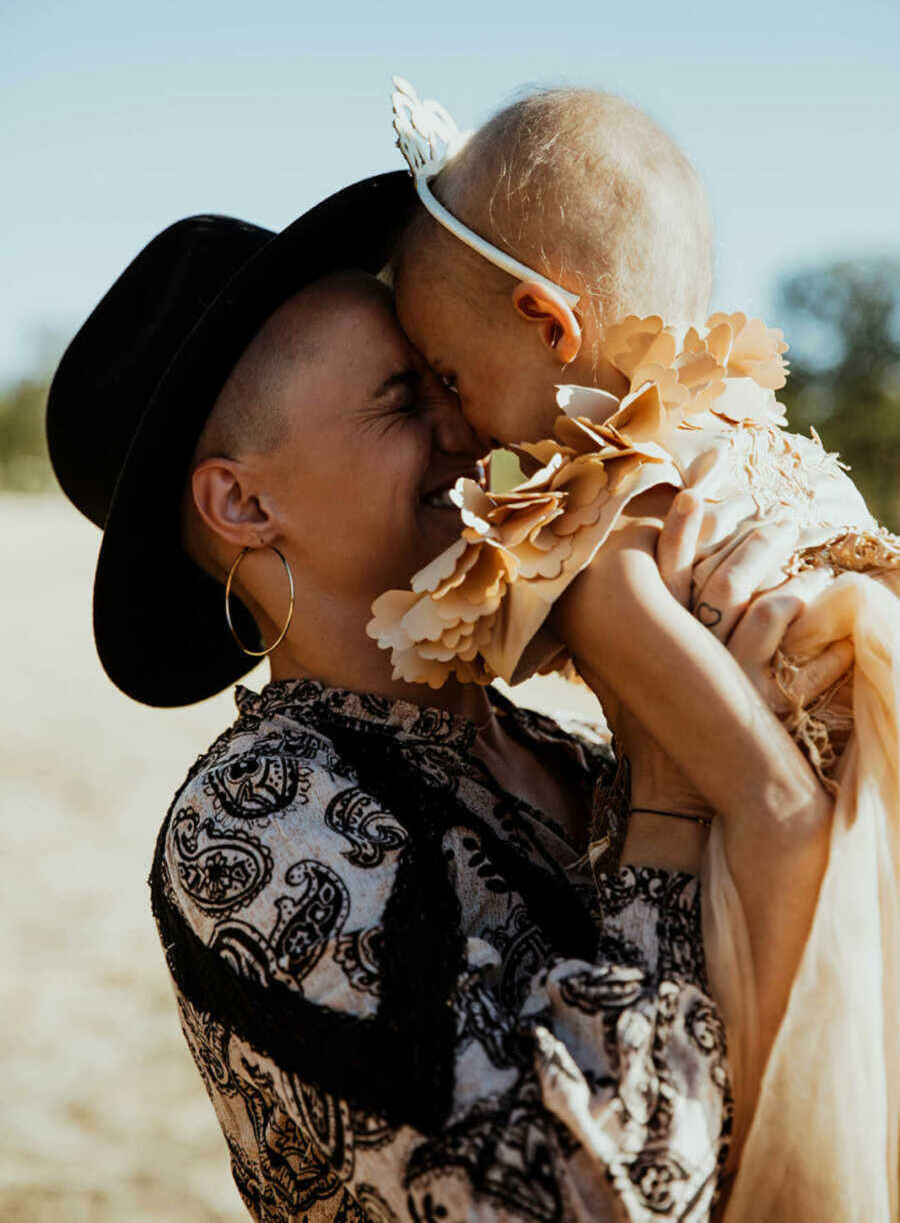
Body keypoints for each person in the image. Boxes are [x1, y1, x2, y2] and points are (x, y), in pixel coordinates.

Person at [46, 174, 837, 1223]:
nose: (471, 426)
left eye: (448, 380)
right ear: (243, 502)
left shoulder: (547, 740)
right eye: (403, 399)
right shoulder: (254, 819)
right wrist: (690, 769)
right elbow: (568, 1203)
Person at [372, 80, 900, 1219]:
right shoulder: (756, 441)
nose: (454, 428)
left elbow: (783, 815)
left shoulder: (614, 545)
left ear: (550, 323)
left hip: (813, 914)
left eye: (452, 380)